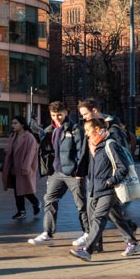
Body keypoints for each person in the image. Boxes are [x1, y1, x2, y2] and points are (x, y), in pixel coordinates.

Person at [70, 116, 140, 260]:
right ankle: (133, 243)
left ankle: (87, 251)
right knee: (116, 217)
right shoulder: (92, 145)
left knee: (98, 218)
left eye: (88, 130)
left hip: (109, 189)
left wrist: (111, 181)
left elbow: (123, 167)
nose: (87, 134)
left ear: (98, 129)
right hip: (95, 188)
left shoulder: (110, 144)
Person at [29, 101, 89, 245]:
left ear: (66, 112)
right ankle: (48, 233)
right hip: (56, 172)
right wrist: (49, 171)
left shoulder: (75, 129)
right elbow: (47, 151)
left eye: (60, 115)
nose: (57, 118)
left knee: (81, 204)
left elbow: (82, 152)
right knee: (49, 201)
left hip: (73, 174)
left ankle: (87, 232)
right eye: (54, 115)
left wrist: (79, 172)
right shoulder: (50, 130)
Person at [2, 115, 40, 220]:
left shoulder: (29, 137)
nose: (12, 125)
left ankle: (36, 202)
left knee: (25, 190)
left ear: (22, 125)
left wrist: (26, 167)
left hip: (24, 168)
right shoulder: (13, 136)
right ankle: (21, 211)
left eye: (15, 123)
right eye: (12, 123)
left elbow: (30, 154)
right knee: (17, 190)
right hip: (13, 167)